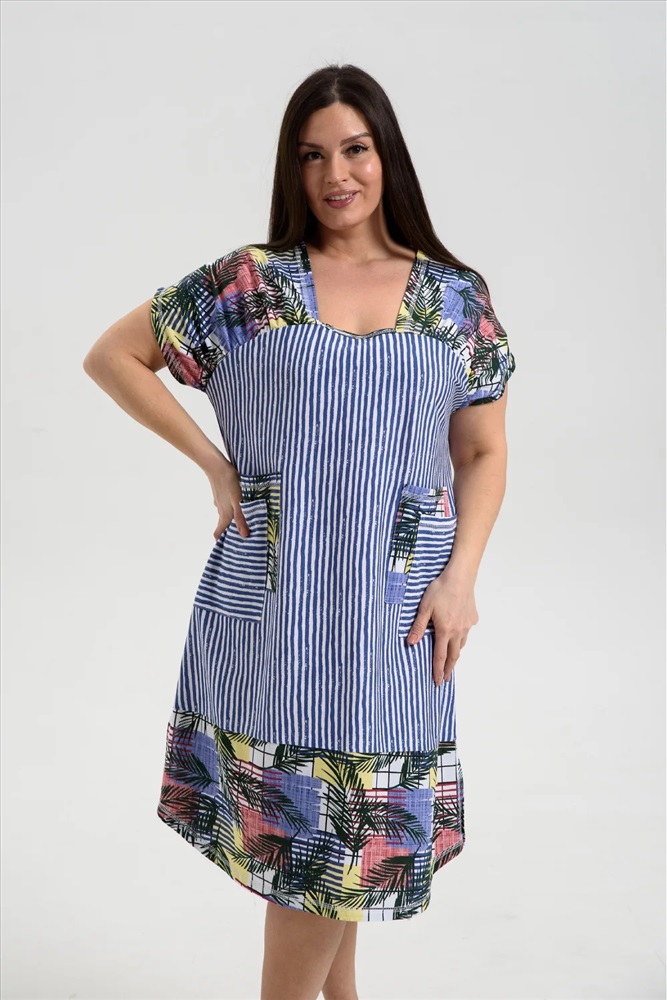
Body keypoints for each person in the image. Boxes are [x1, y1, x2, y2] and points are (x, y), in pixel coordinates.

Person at [83, 63, 516, 1000]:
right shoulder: (251, 285)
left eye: (354, 149)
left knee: (348, 830)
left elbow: (483, 451)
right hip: (276, 605)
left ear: (385, 154)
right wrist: (215, 466)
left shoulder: (453, 300)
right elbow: (113, 355)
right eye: (312, 155)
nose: (336, 175)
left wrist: (461, 578)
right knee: (311, 837)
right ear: (292, 167)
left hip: (394, 611)